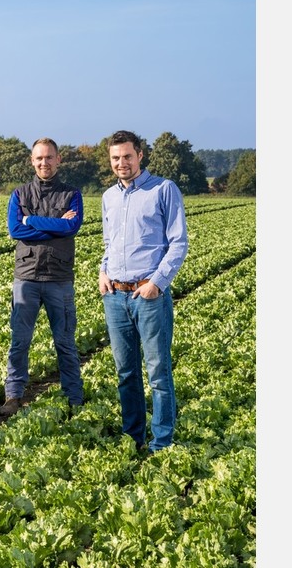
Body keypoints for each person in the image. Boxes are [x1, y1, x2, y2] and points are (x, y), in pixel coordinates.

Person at [99, 130, 189, 453]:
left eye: (127, 156)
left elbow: (179, 242)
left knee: (158, 372)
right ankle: (132, 437)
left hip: (148, 295)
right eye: (115, 158)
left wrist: (156, 284)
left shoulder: (163, 190)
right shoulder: (109, 197)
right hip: (115, 296)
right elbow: (109, 243)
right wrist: (102, 272)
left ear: (140, 155)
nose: (121, 163)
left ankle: (161, 442)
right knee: (126, 372)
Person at [0, 137, 85, 417]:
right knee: (20, 341)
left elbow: (71, 227)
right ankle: (13, 396)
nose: (44, 163)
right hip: (26, 277)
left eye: (49, 158)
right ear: (32, 161)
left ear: (58, 160)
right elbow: (15, 230)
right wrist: (54, 226)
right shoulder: (20, 194)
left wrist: (31, 220)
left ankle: (74, 396)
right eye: (39, 158)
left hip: (59, 278)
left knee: (65, 341)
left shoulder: (72, 193)